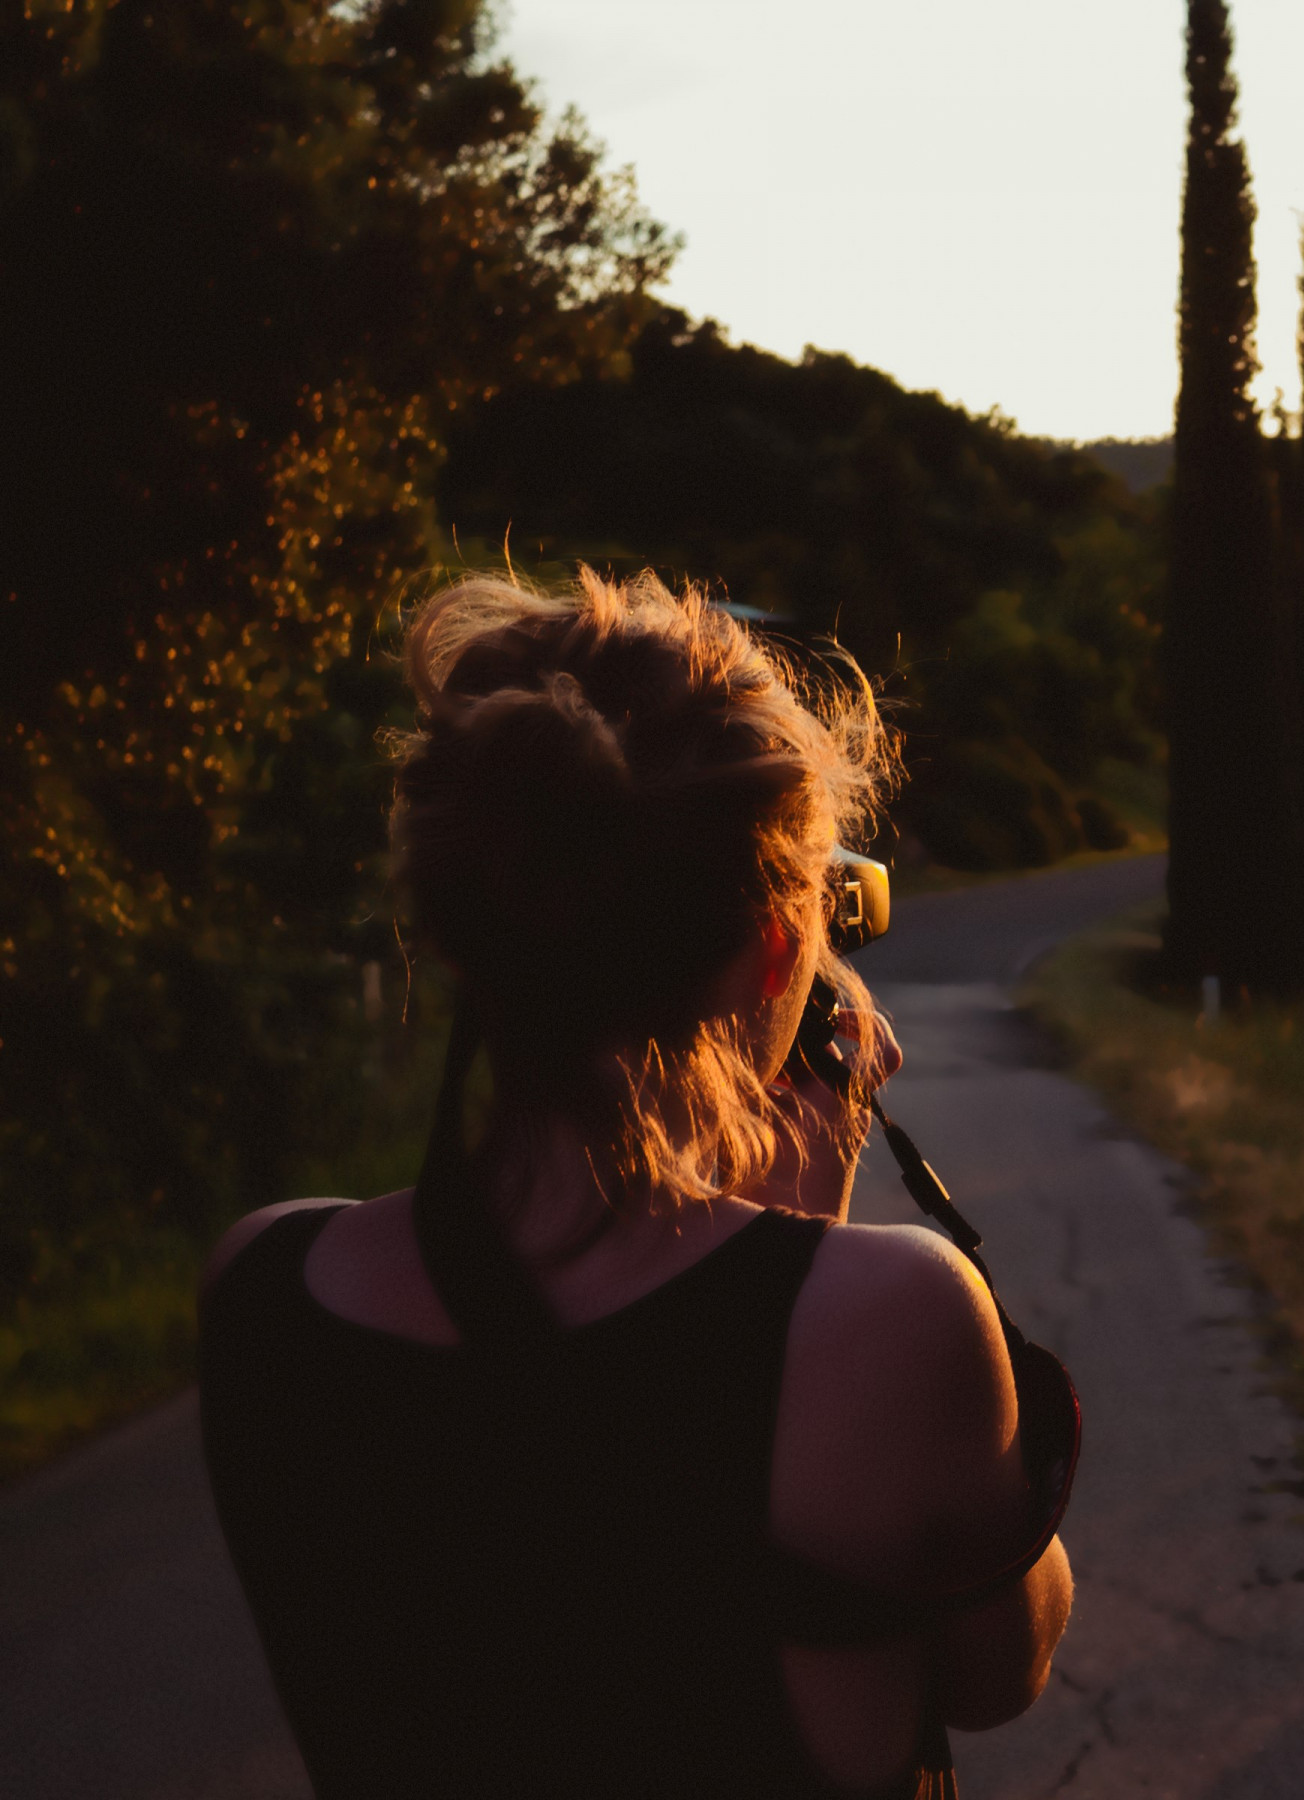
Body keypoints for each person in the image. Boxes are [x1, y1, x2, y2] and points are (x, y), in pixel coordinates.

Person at [197, 570, 1071, 1798]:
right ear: (774, 947)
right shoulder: (892, 1319)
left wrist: (776, 1267)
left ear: (460, 923)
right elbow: (1003, 1672)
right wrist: (798, 1249)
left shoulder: (262, 1288)